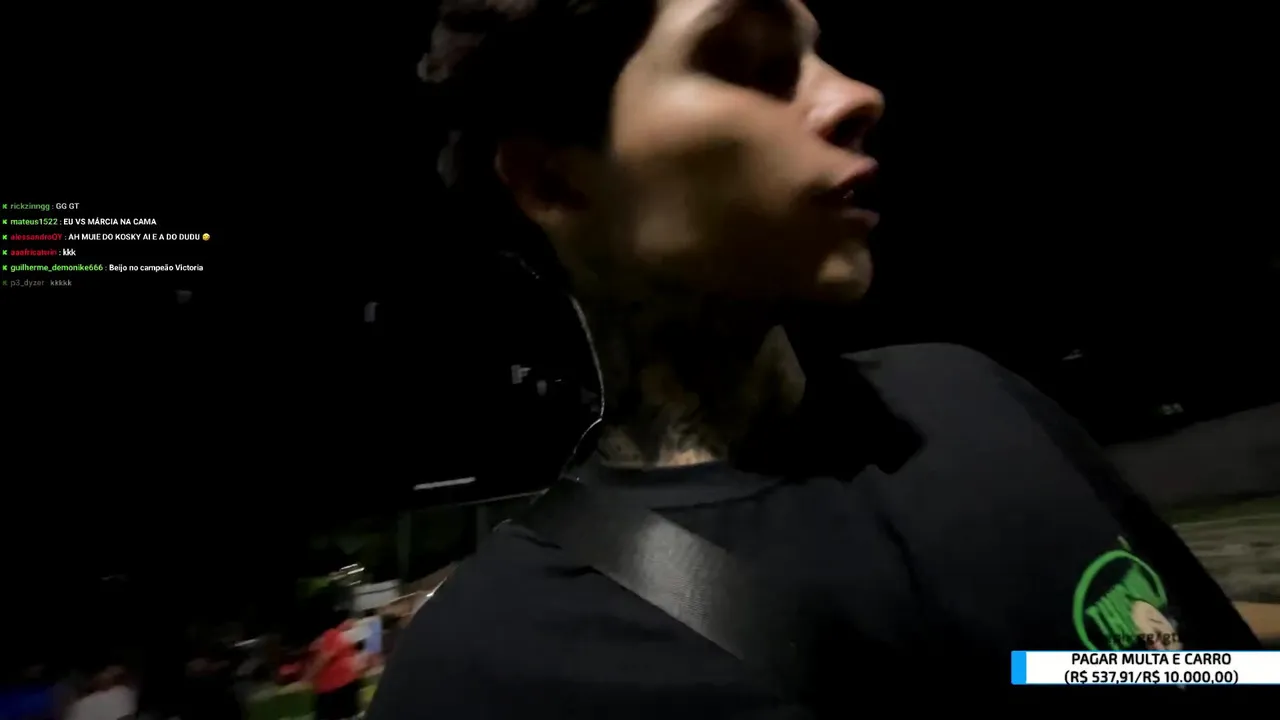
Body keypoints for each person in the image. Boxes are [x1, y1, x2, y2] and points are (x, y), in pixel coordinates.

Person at [369, 0, 1262, 716]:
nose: (857, 95)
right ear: (554, 182)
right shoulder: (482, 670)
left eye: (817, 51)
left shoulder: (974, 396)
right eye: (747, 56)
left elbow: (1126, 661)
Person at [307, 616, 361, 720]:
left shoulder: (332, 635)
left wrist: (308, 677)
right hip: (347, 683)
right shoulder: (345, 637)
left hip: (333, 687)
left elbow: (323, 659)